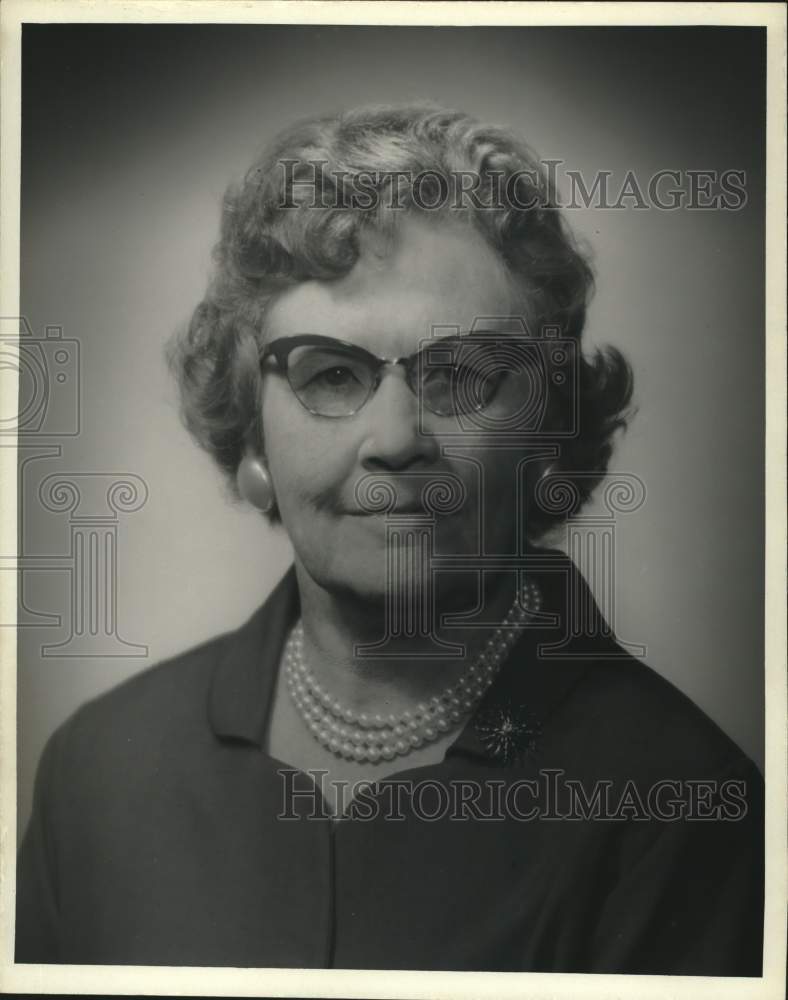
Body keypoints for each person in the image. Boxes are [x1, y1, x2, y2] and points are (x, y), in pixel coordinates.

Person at [15, 104, 763, 973]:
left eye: (464, 376)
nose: (397, 437)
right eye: (331, 374)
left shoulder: (681, 803)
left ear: (546, 438)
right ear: (253, 441)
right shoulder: (98, 773)